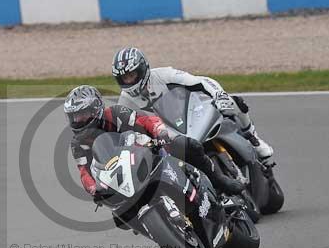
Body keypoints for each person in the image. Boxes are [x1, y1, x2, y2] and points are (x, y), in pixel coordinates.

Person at [64, 85, 244, 199]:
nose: (78, 120)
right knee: (118, 214)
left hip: (148, 150)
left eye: (82, 114)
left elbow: (146, 121)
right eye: (74, 116)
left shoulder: (116, 114)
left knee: (189, 145)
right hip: (122, 174)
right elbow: (84, 172)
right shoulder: (78, 143)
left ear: (96, 109)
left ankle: (219, 180)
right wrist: (94, 189)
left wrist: (161, 132)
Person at [112, 47, 274, 166]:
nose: (128, 81)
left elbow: (200, 81)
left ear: (142, 70)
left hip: (191, 113)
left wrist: (219, 95)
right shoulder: (125, 101)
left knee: (234, 102)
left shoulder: (164, 75)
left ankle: (253, 138)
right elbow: (125, 133)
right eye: (124, 78)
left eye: (131, 75)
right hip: (170, 137)